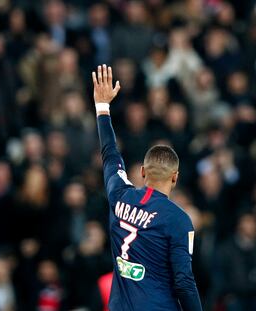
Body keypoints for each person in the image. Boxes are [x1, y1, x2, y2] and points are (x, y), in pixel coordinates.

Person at [92, 64, 202, 311]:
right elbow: (184, 282)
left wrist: (102, 107)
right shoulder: (178, 220)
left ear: (142, 172)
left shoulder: (119, 194)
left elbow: (110, 154)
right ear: (175, 177)